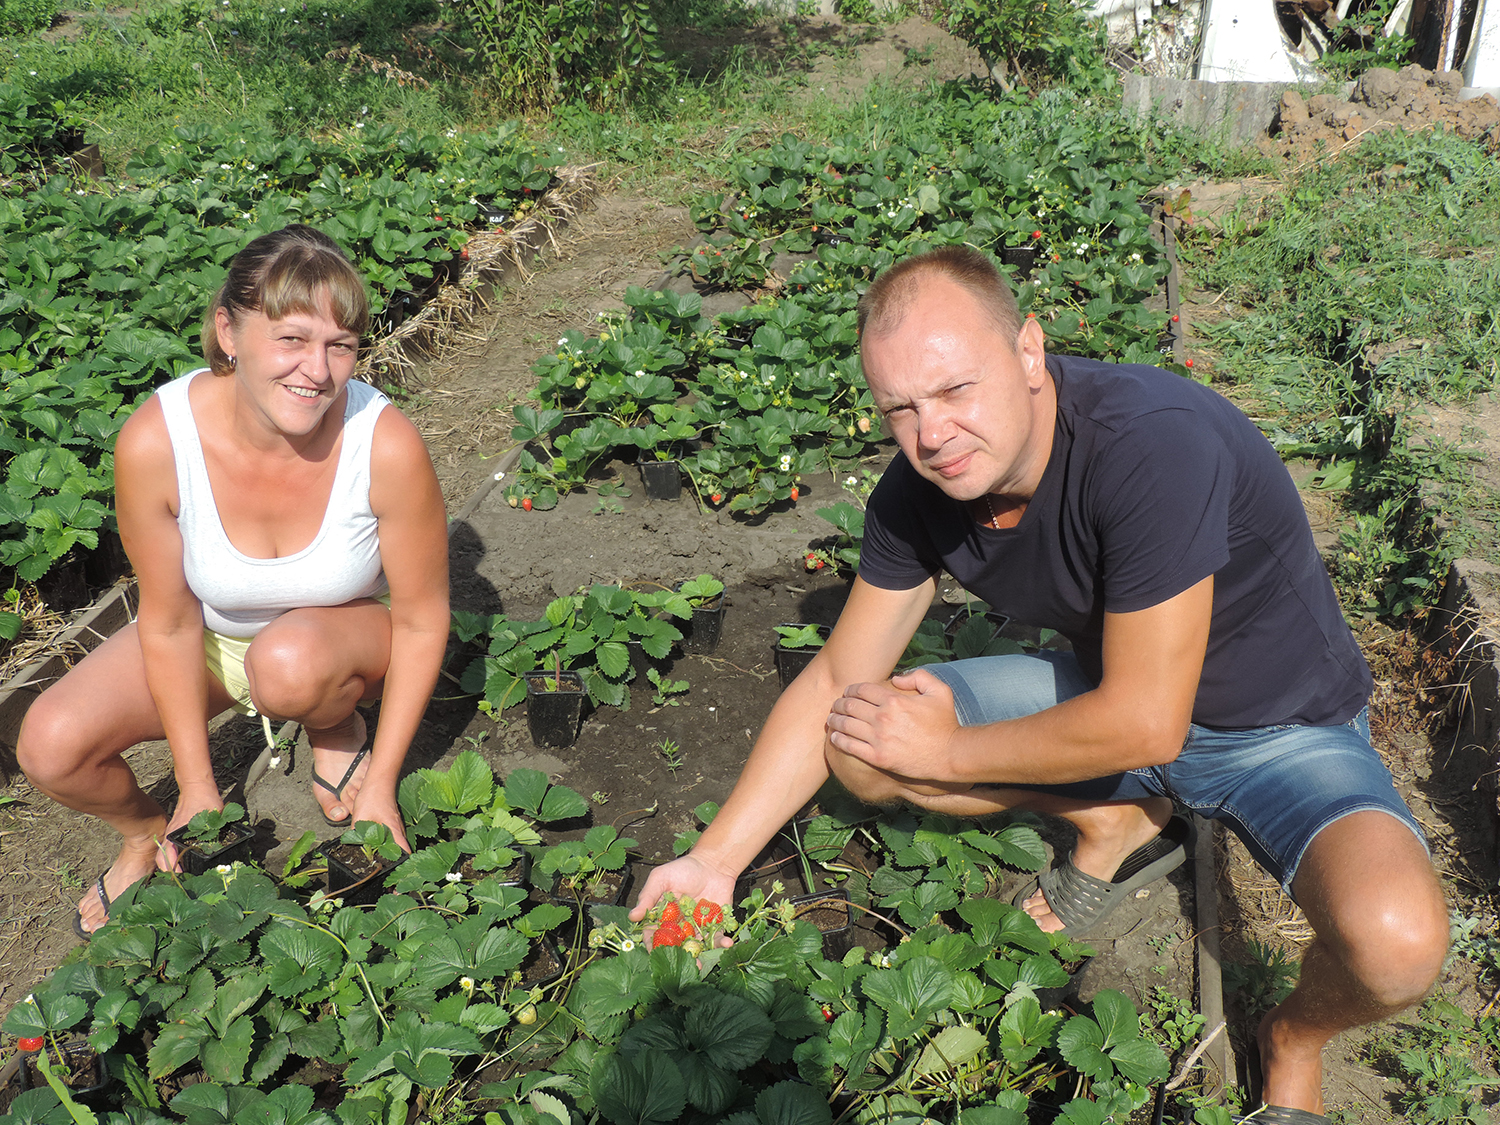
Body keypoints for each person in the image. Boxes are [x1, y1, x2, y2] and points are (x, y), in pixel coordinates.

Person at [631, 246, 1448, 1123]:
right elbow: (838, 671)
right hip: (1108, 695)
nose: (931, 433)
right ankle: (1113, 817)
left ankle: (1293, 1037)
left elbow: (1147, 724)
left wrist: (948, 751)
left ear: (1028, 351)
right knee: (858, 736)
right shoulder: (918, 492)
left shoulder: (1150, 444)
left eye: (954, 390)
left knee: (1396, 944)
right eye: (898, 408)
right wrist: (712, 861)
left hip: (1278, 729)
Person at [16, 224, 449, 938]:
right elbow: (169, 619)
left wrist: (382, 788)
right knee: (49, 743)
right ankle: (148, 834)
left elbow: (425, 616)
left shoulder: (384, 441)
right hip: (213, 634)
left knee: (287, 662)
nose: (317, 370)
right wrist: (194, 786)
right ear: (228, 331)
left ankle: (335, 723)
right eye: (291, 339)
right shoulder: (158, 441)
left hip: (340, 643)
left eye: (340, 345)